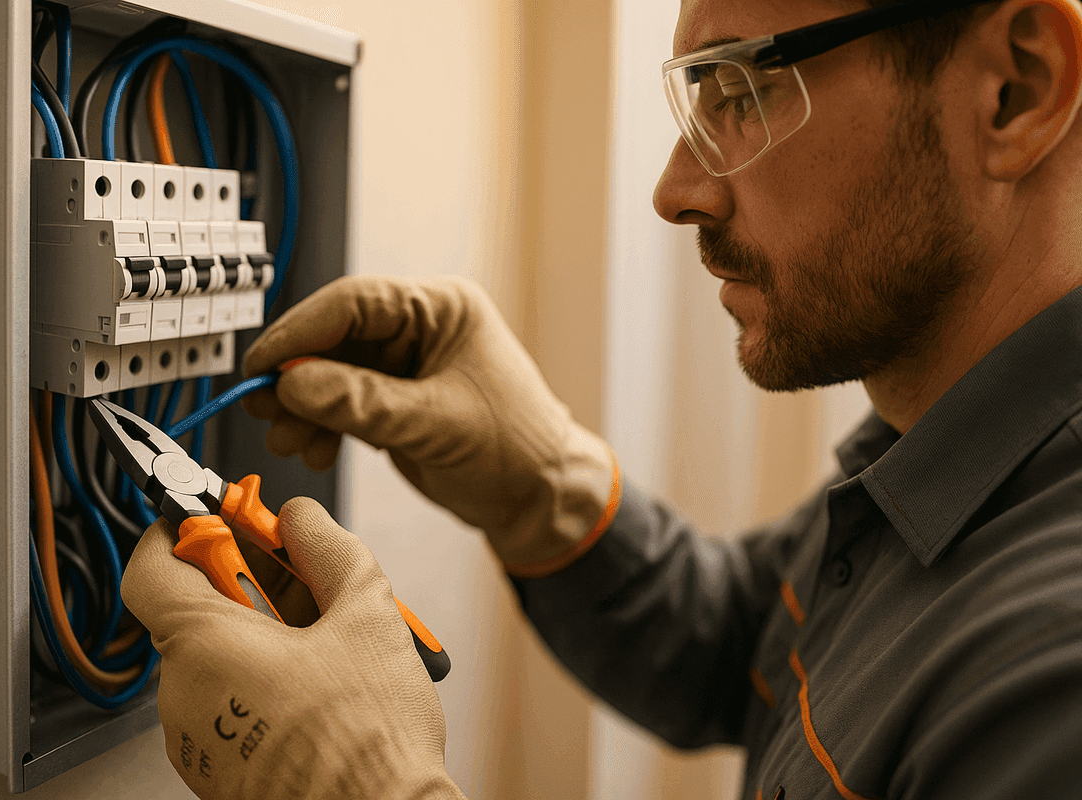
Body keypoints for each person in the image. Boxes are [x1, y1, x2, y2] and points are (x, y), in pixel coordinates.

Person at [120, 0, 1082, 796]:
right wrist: (549, 488)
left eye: (740, 87)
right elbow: (746, 650)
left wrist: (366, 785)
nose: (675, 191)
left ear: (1015, 90)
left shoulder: (1053, 685)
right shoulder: (927, 441)